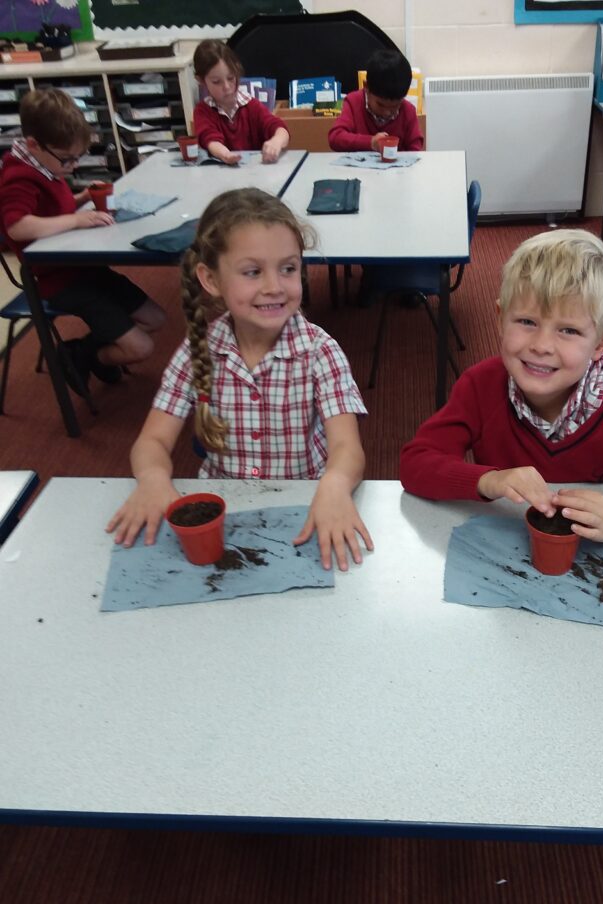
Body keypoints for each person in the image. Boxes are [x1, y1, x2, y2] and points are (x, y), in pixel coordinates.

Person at [400, 229, 603, 544]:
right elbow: (416, 463)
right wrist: (490, 480)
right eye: (527, 322)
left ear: (602, 341)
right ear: (500, 318)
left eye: (568, 330)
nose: (542, 346)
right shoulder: (480, 386)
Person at [107, 187, 373, 571]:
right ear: (211, 280)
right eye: (252, 272)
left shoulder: (320, 352)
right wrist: (151, 478)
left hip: (305, 506)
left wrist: (334, 484)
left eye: (288, 268)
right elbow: (151, 441)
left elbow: (347, 449)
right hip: (224, 511)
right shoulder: (197, 350)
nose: (274, 286)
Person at [0, 88, 166, 391]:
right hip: (60, 280)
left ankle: (85, 353)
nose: (73, 166)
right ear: (34, 144)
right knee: (141, 349)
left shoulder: (44, 164)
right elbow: (17, 227)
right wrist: (77, 219)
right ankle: (84, 355)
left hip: (84, 266)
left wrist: (82, 197)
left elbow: (52, 211)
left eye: (78, 157)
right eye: (67, 159)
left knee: (156, 318)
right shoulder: (19, 176)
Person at [192, 40, 289, 165]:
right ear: (201, 81)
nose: (227, 86)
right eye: (216, 81)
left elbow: (280, 128)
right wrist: (225, 154)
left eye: (231, 78)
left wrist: (276, 142)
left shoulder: (251, 106)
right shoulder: (202, 111)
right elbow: (209, 138)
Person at [328, 49, 424, 153]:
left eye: (395, 106)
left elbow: (415, 149)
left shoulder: (408, 110)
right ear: (366, 88)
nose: (387, 112)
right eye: (380, 105)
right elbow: (335, 138)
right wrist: (371, 142)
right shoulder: (353, 102)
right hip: (358, 168)